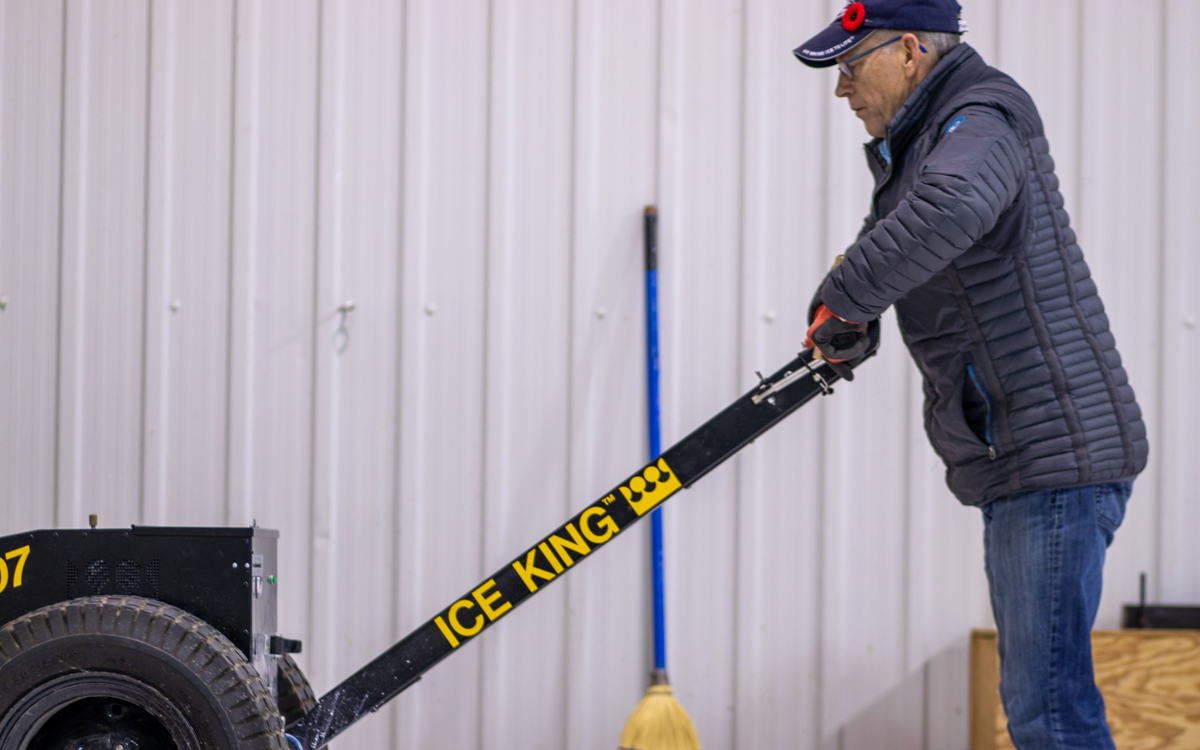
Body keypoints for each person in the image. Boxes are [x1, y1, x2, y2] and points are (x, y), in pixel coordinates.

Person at [793, 2, 1149, 748]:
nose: (842, 89)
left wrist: (845, 300)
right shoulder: (929, 140)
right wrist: (848, 317)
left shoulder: (982, 115)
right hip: (1030, 454)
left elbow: (950, 210)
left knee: (1048, 713)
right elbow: (901, 241)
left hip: (1054, 456)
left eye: (852, 66)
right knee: (1044, 706)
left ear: (911, 50)